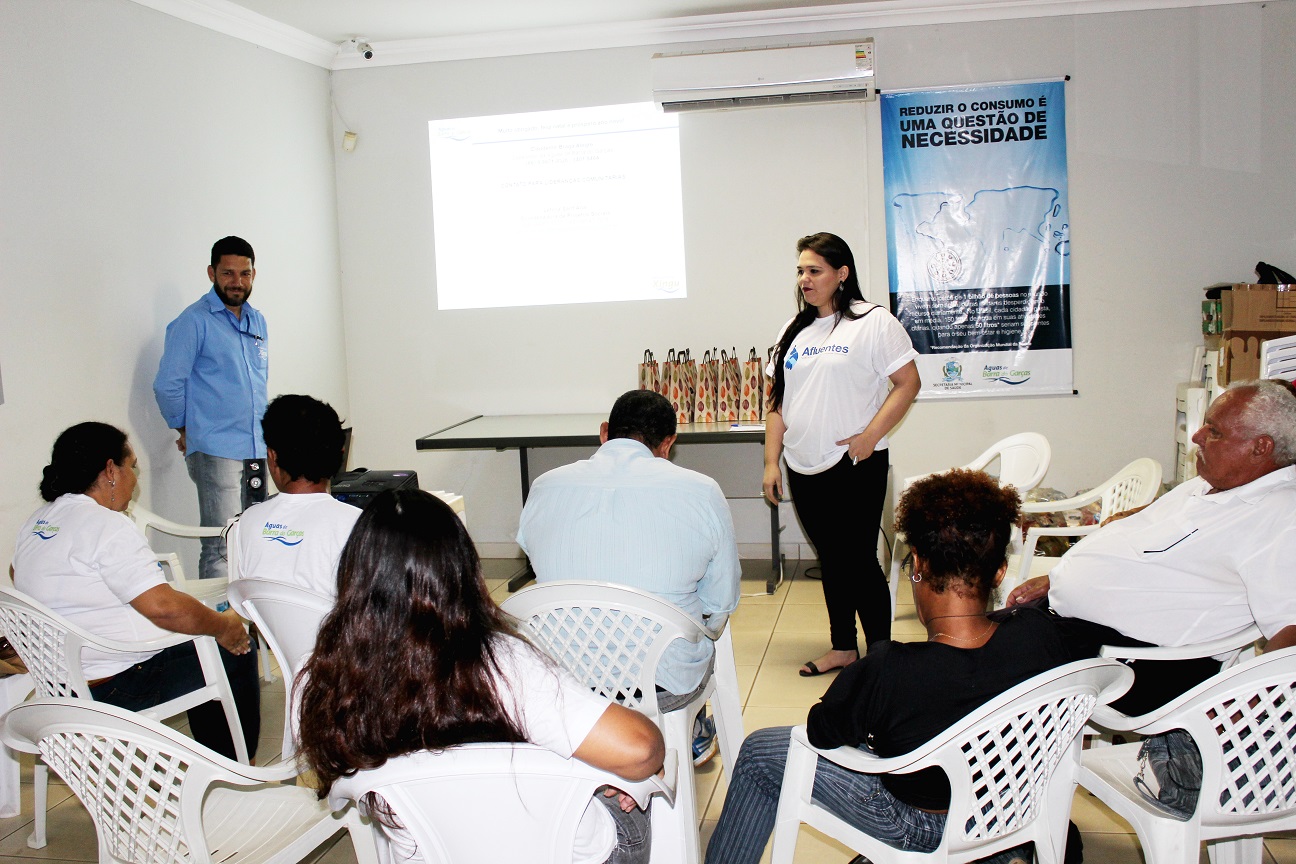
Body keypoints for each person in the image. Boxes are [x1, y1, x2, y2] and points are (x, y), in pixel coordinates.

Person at [705, 469, 1084, 864]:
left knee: (759, 753)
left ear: (917, 565)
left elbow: (821, 732)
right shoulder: (1041, 634)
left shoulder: (887, 669)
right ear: (999, 572)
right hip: (1007, 808)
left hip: (918, 824)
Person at [296, 489, 665, 864]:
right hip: (563, 854)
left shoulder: (324, 679)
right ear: (463, 574)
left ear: (354, 577)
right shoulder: (505, 665)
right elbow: (642, 750)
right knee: (629, 803)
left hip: (431, 856)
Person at [1006, 379, 1296, 713]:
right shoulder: (1207, 486)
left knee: (962, 675)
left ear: (1261, 447)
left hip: (1132, 661)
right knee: (957, 646)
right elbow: (1138, 543)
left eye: (1214, 432)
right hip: (1072, 628)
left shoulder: (1281, 514)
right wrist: (1057, 579)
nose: (1197, 437)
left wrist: (1251, 716)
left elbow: (1291, 627)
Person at [516, 389, 741, 765]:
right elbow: (721, 604)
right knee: (697, 624)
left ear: (604, 432)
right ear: (668, 444)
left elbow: (537, 564)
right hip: (660, 683)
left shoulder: (544, 485)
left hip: (564, 679)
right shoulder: (702, 491)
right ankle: (693, 728)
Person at [12, 422, 260, 761]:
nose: (135, 478)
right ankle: (230, 770)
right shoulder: (106, 525)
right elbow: (164, 609)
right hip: (115, 687)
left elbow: (18, 574)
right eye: (132, 467)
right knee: (235, 649)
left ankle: (210, 761)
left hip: (61, 685)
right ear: (110, 470)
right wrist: (224, 627)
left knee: (197, 641)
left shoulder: (39, 521)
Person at [763, 232, 921, 677]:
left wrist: (870, 435)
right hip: (802, 464)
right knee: (832, 559)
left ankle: (882, 653)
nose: (804, 279)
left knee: (858, 558)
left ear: (842, 274)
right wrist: (771, 461)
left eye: (814, 270)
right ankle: (843, 647)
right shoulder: (791, 331)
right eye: (800, 270)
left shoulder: (874, 323)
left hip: (856, 464)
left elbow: (908, 384)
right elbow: (776, 403)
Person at [154, 235, 269, 581]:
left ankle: (250, 628)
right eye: (228, 273)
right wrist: (184, 428)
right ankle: (221, 635)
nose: (237, 282)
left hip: (255, 448)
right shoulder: (194, 321)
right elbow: (167, 384)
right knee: (221, 546)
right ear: (211, 273)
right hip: (216, 450)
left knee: (253, 543)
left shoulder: (257, 321)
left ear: (253, 274)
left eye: (244, 274)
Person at [231, 394, 358, 596]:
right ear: (339, 453)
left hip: (271, 629)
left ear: (272, 457)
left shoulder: (249, 522)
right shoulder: (357, 525)